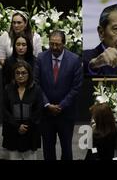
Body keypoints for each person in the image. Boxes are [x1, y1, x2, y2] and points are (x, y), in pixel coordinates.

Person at [34, 30, 83, 160]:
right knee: (48, 149)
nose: (54, 48)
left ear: (64, 44)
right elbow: (36, 84)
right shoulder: (41, 58)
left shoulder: (74, 60)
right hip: (46, 113)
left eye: (58, 44)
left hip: (66, 114)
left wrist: (61, 106)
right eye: (51, 44)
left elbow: (76, 87)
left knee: (66, 149)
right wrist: (47, 104)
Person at [2, 61, 42, 160]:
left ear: (29, 74)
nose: (20, 75)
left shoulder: (36, 89)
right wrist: (17, 126)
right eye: (17, 73)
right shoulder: (8, 88)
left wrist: (25, 126)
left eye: (23, 73)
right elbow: (5, 110)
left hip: (30, 132)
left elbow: (38, 111)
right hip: (12, 131)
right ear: (14, 74)